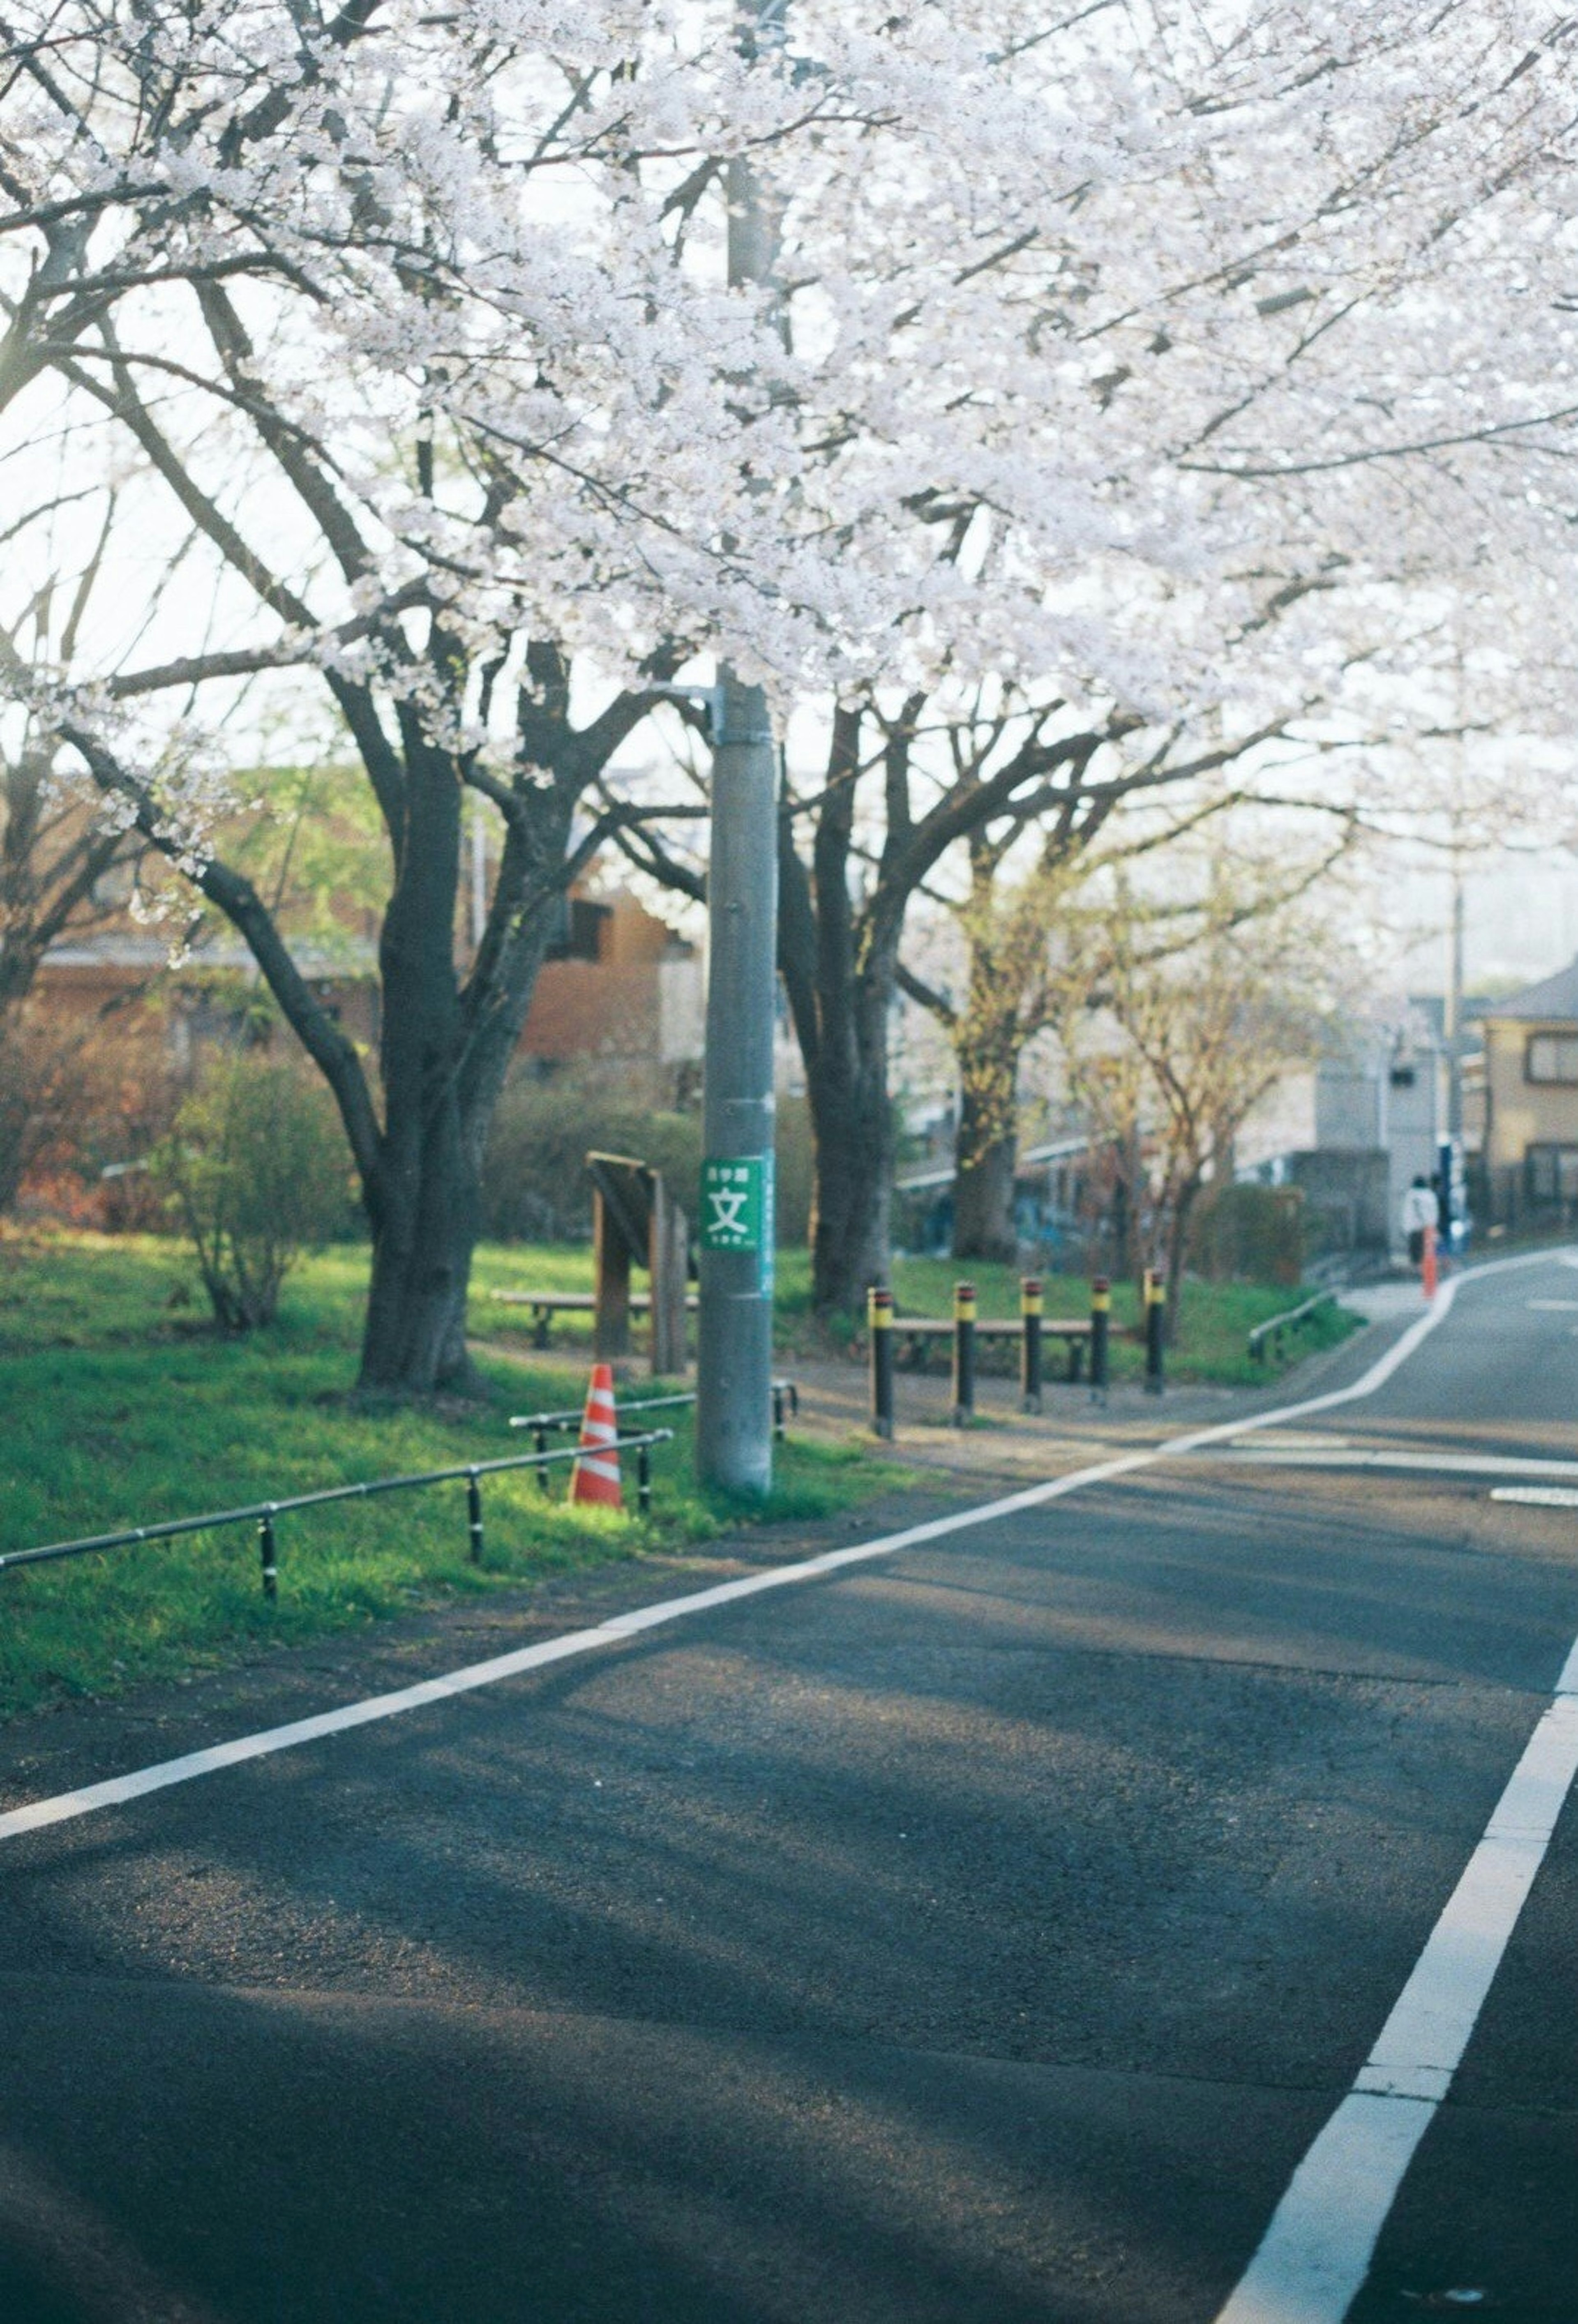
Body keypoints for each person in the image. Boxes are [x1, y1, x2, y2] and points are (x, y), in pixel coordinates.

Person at [1401, 1174, 1439, 1268]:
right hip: (1427, 1227)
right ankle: (1424, 1268)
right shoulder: (1429, 1195)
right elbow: (1433, 1213)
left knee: (1415, 1249)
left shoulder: (1411, 1195)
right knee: (1425, 1250)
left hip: (1413, 1227)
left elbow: (1407, 1214)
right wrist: (1431, 1225)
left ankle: (1416, 1266)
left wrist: (1405, 1227)